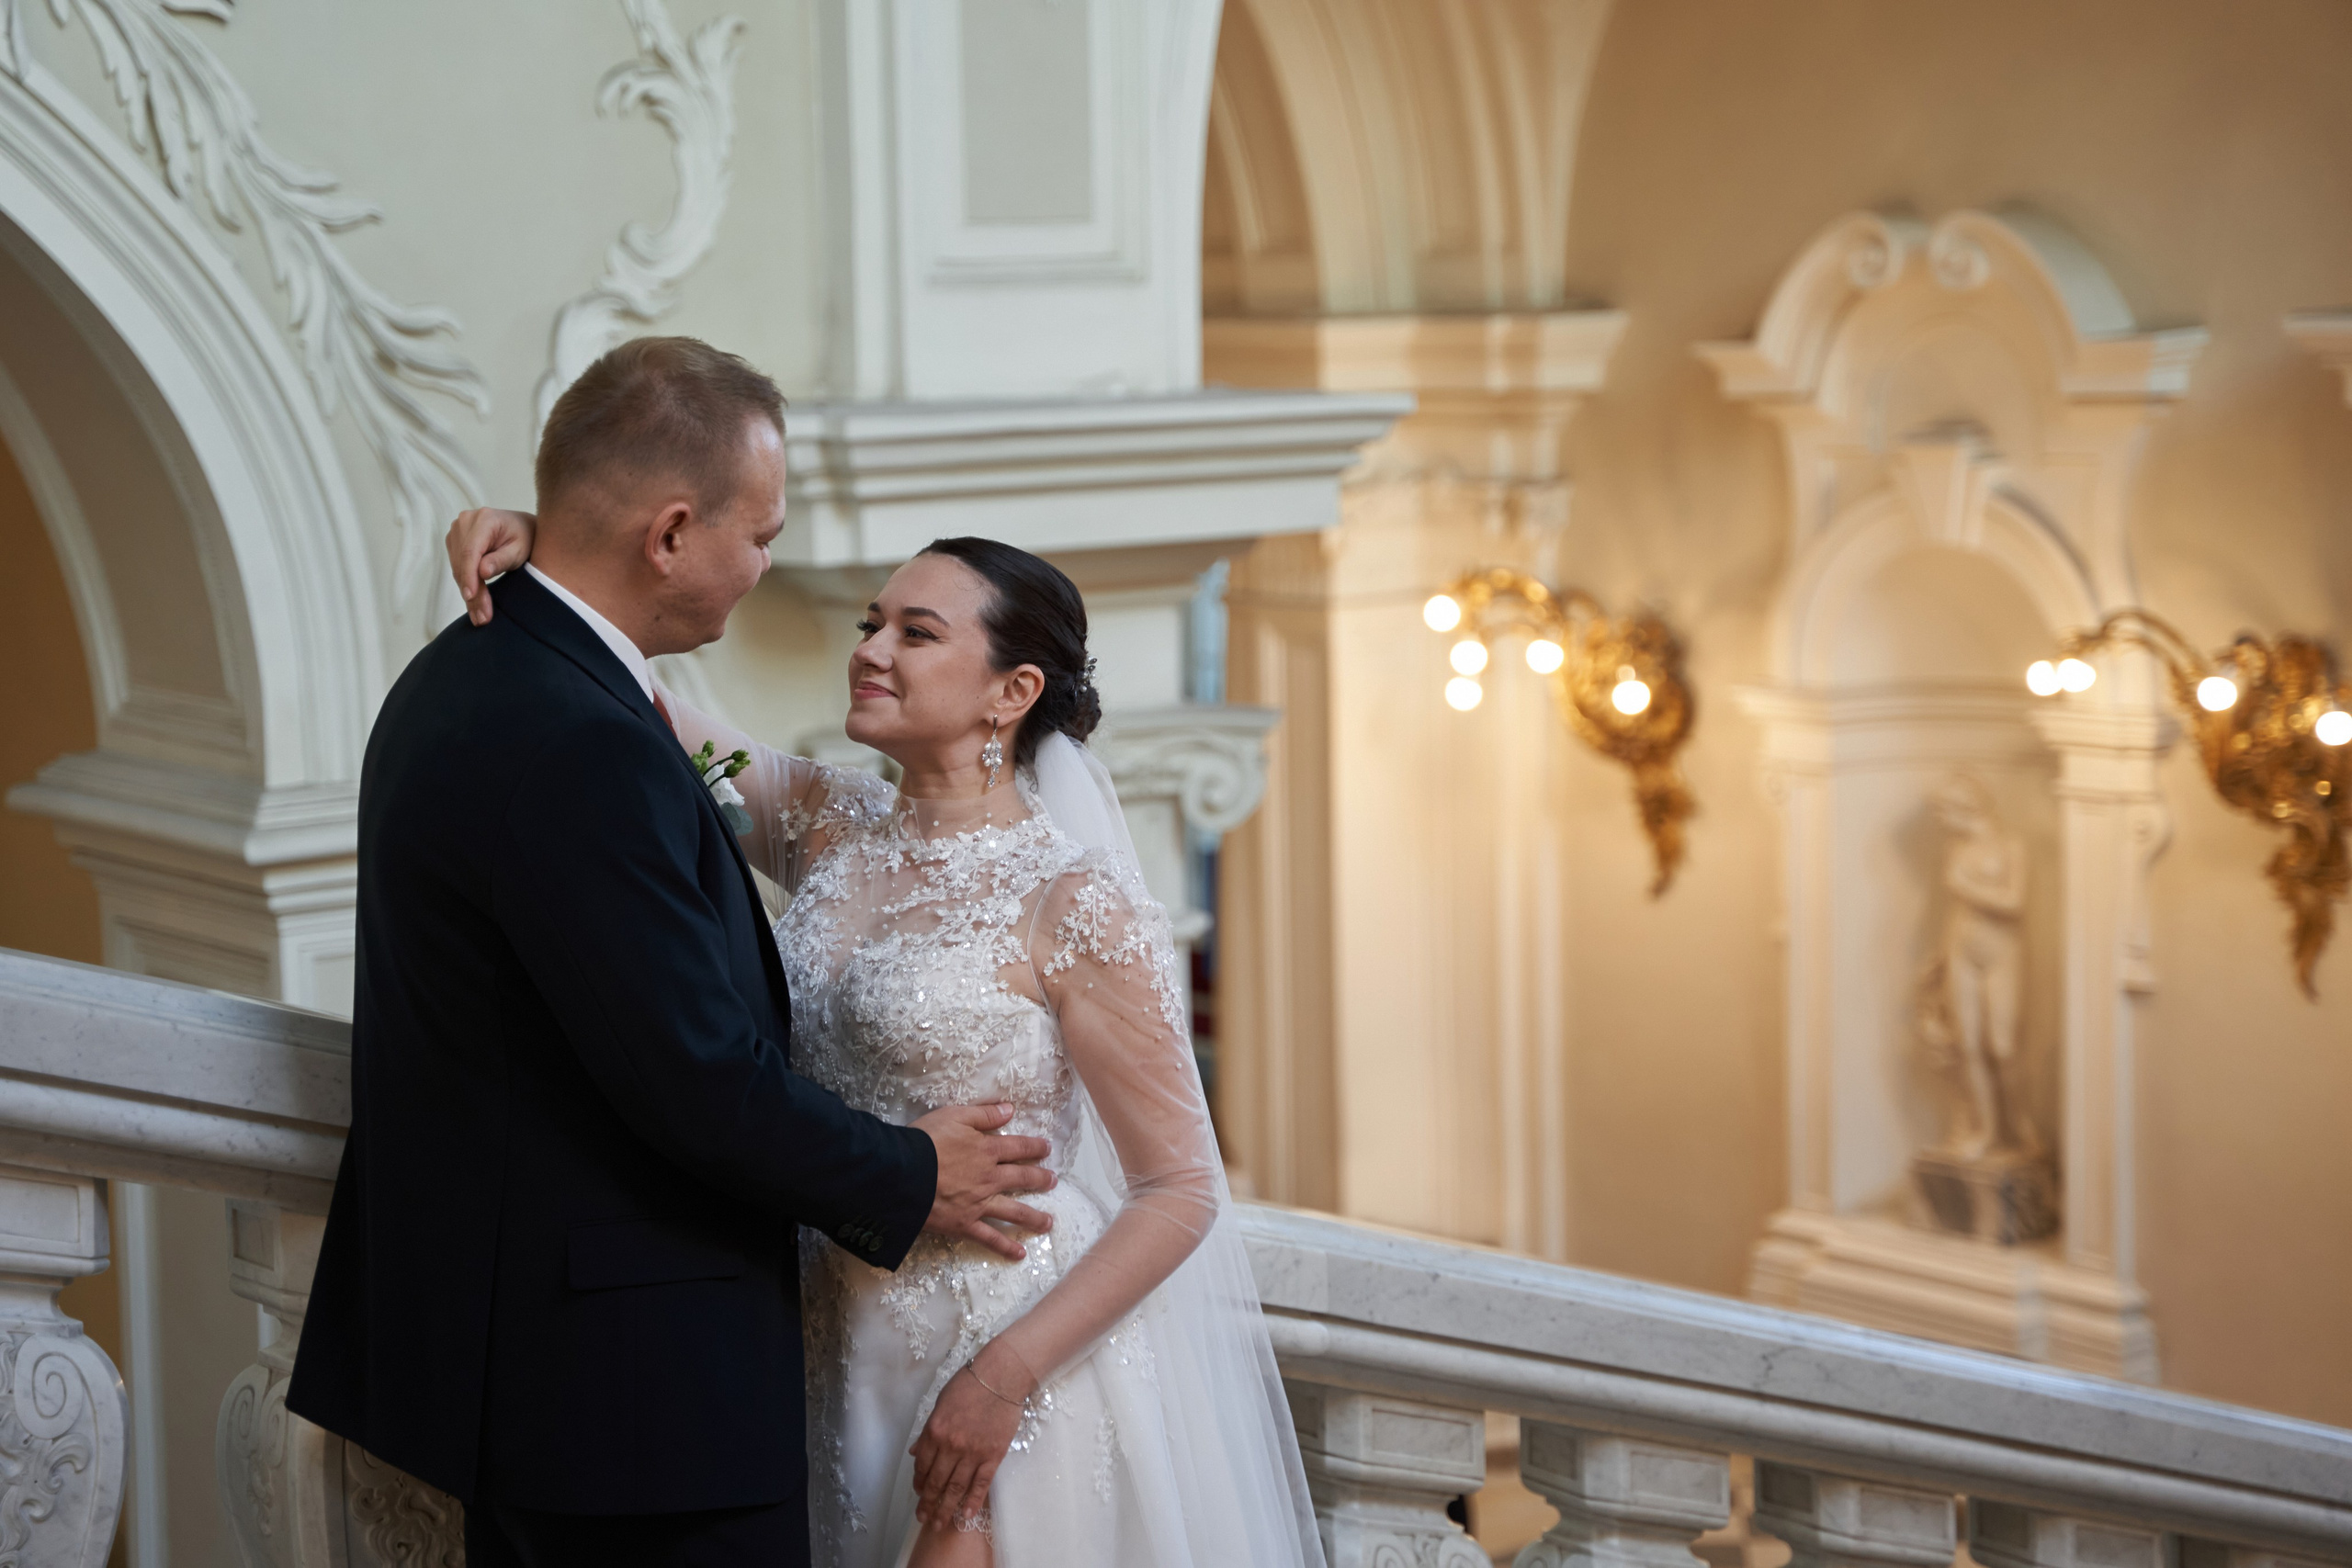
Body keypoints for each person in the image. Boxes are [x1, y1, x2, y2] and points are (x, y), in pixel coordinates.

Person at [289, 337, 1059, 1568]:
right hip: (625, 1398)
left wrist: (530, 538)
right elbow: (694, 1075)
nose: (766, 567)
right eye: (757, 535)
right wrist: (913, 1173)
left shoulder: (475, 674)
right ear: (671, 533)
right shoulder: (577, 741)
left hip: (554, 1360)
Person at [444, 510, 1324, 1565]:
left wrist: (1002, 1379)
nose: (869, 650)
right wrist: (547, 547)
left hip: (1001, 1351)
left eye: (916, 633)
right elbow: (631, 698)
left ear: (1013, 692)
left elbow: (1181, 1190)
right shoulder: (823, 820)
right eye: (873, 624)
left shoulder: (1074, 905)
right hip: (825, 1333)